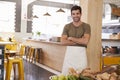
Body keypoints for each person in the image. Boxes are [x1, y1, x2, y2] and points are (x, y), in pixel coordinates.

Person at [61, 5, 91, 75]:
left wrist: (71, 38)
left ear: (81, 14)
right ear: (71, 15)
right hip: (69, 56)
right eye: (73, 14)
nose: (75, 16)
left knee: (82, 76)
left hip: (81, 56)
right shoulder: (67, 26)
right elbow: (62, 42)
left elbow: (85, 41)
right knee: (67, 76)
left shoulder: (86, 26)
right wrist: (80, 41)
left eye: (77, 13)